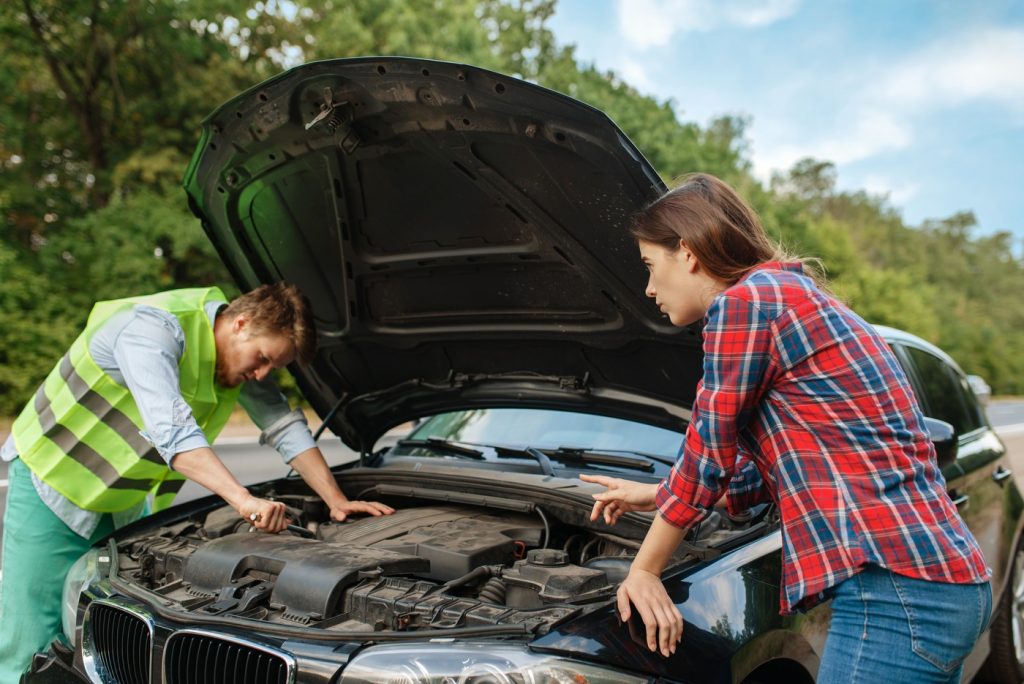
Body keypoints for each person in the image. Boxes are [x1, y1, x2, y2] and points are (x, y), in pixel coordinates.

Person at [581, 173, 991, 683]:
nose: (646, 287)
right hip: (939, 586)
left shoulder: (745, 304)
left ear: (686, 252)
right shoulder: (786, 294)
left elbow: (707, 454)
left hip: (895, 594)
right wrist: (659, 494)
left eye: (649, 264)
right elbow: (788, 465)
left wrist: (644, 570)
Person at [0, 282, 394, 680]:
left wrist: (335, 499)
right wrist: (244, 501)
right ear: (240, 323)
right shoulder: (152, 331)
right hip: (53, 478)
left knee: (87, 635)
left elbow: (283, 425)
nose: (261, 374)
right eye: (262, 359)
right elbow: (173, 432)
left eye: (272, 368)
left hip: (120, 499)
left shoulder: (234, 363)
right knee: (30, 639)